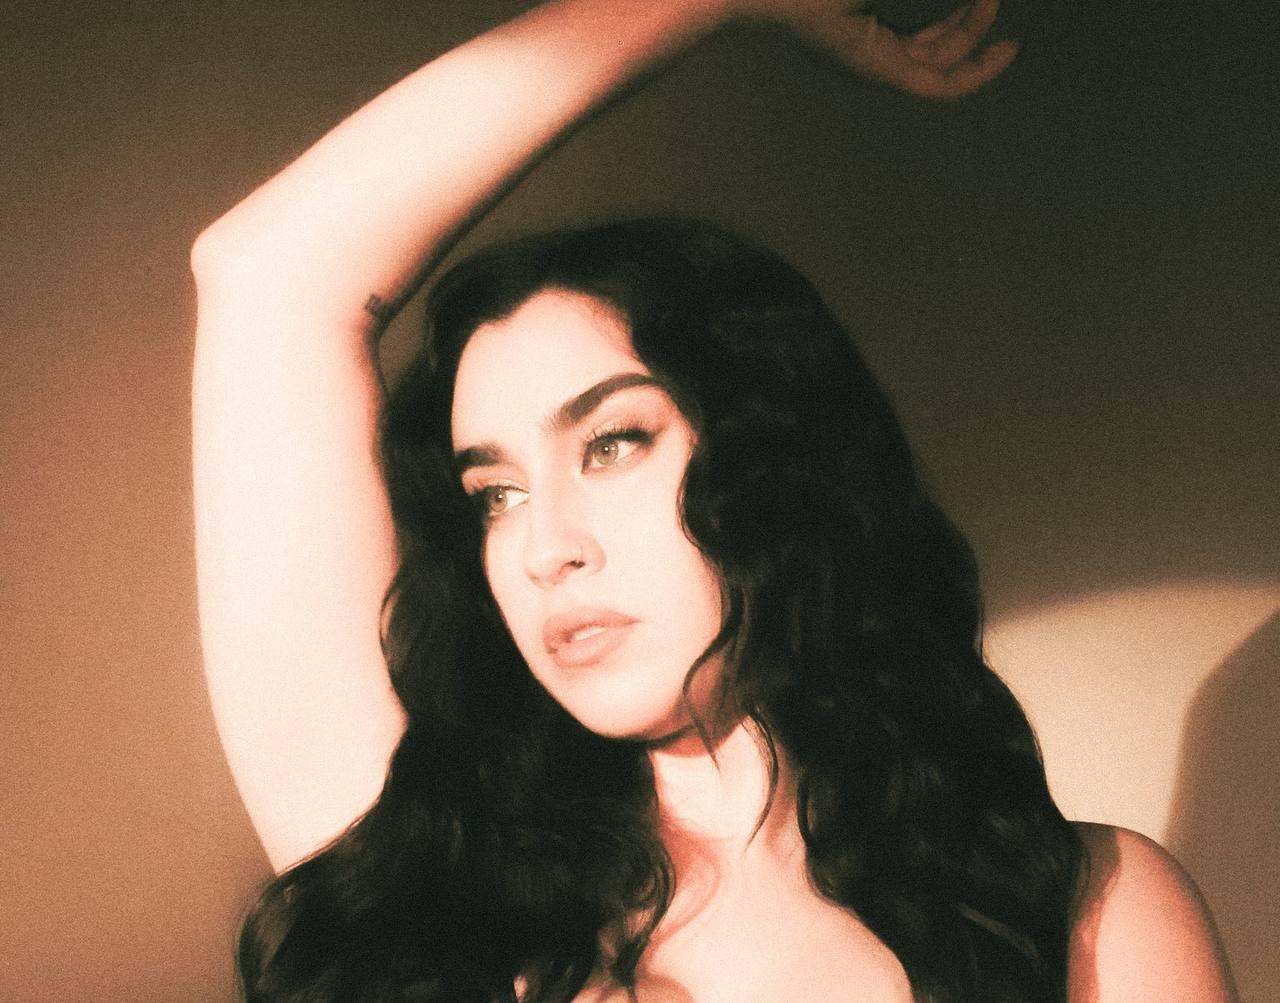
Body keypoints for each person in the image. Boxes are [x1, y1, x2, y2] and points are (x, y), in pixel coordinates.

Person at [190, 0, 1237, 999]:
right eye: (495, 494)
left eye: (611, 443)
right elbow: (269, 275)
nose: (545, 547)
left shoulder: (1087, 914)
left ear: (780, 465)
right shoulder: (422, 882)